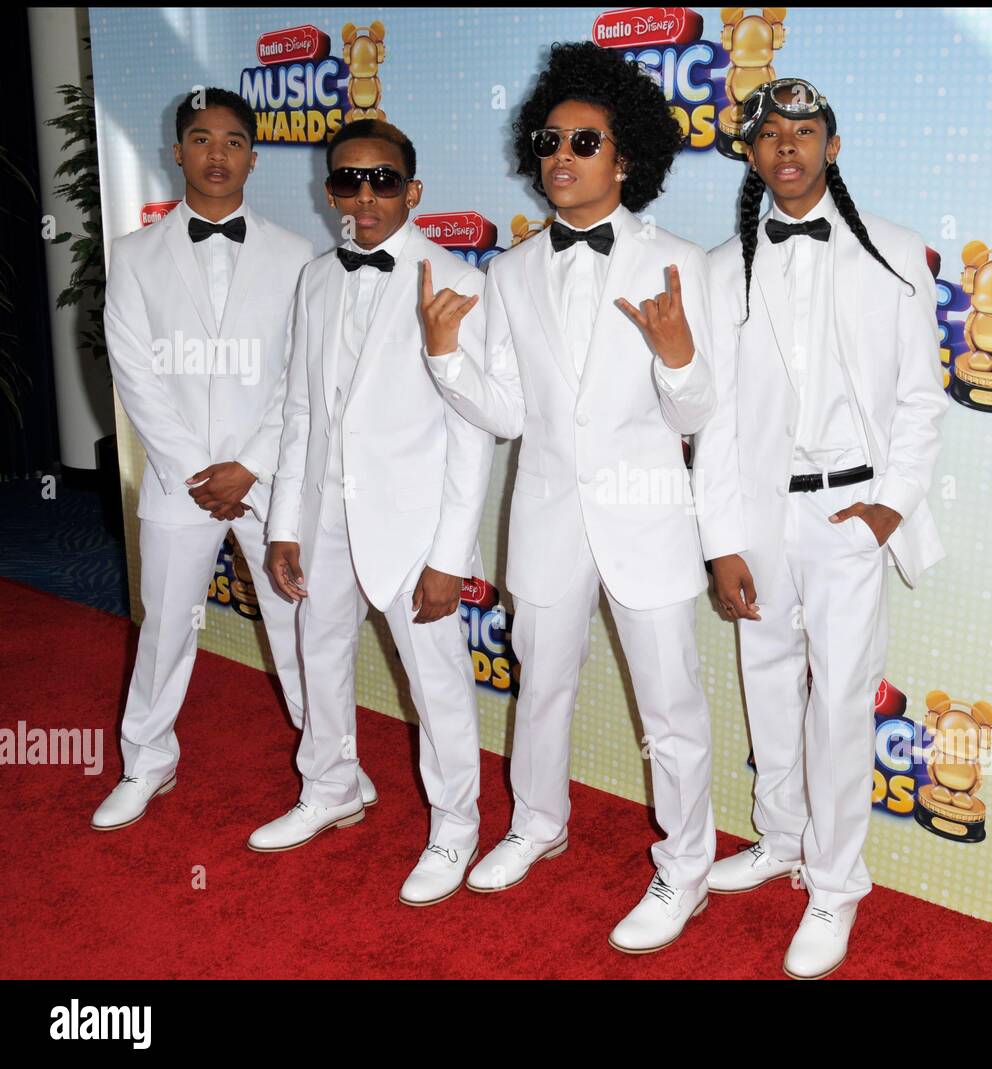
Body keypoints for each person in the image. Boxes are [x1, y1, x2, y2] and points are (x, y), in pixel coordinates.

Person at [425, 42, 718, 953]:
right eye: (550, 140)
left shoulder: (679, 263)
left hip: (648, 518)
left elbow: (700, 408)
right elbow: (508, 413)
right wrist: (446, 358)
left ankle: (685, 871)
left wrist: (677, 351)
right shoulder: (509, 273)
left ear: (625, 155)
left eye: (584, 143)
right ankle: (536, 823)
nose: (562, 156)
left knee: (670, 706)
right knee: (541, 687)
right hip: (549, 515)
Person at [694, 78, 948, 978]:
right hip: (759, 511)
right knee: (764, 680)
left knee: (840, 702)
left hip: (851, 513)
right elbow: (716, 420)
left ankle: (836, 884)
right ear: (752, 153)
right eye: (771, 134)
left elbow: (923, 395)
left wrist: (893, 503)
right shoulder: (722, 267)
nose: (788, 146)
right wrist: (723, 538)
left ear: (831, 145)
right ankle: (781, 836)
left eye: (805, 131)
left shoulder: (896, 251)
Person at [93, 88, 381, 830]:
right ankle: (146, 761)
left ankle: (335, 765)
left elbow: (301, 376)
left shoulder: (298, 258)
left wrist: (248, 467)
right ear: (178, 151)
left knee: (299, 626)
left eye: (231, 141)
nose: (215, 154)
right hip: (177, 483)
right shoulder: (133, 256)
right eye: (199, 138)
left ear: (253, 156)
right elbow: (136, 373)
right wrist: (199, 470)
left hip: (273, 482)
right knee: (166, 628)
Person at [248, 120, 494, 910]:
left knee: (438, 687)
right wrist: (284, 521)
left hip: (415, 528)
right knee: (318, 657)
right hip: (323, 515)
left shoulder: (456, 280)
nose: (366, 195)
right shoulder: (315, 279)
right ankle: (330, 787)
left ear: (412, 191)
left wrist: (450, 554)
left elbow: (472, 434)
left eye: (383, 180)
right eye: (349, 180)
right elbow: (298, 411)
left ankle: (455, 827)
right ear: (329, 193)